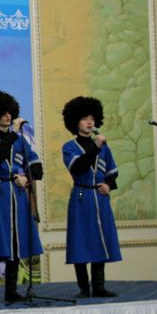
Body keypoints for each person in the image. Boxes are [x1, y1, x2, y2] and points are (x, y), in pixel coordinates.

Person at [0, 91, 43, 304]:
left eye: (10, 113)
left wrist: (27, 177)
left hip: (16, 194)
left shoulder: (21, 140)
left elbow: (36, 166)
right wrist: (13, 133)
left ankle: (11, 291)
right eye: (3, 113)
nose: (8, 116)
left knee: (15, 243)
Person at [61, 96, 121, 298]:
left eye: (92, 119)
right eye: (84, 118)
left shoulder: (104, 147)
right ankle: (84, 288)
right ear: (75, 122)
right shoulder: (69, 147)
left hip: (100, 198)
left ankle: (99, 286)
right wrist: (95, 147)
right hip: (81, 197)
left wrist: (109, 185)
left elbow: (112, 171)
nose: (89, 122)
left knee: (99, 240)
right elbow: (77, 167)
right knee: (80, 241)